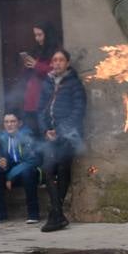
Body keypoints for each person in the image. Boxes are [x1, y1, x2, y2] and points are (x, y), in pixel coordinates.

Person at [37, 48, 86, 232]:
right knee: (48, 170)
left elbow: (78, 112)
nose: (57, 63)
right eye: (54, 60)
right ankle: (57, 213)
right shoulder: (47, 84)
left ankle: (55, 215)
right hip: (50, 135)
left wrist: (60, 131)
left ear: (67, 63)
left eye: (60, 60)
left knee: (64, 170)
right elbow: (40, 110)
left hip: (68, 136)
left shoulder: (75, 84)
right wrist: (46, 130)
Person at [0, 111, 42, 224]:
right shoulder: (2, 138)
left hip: (30, 172)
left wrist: (10, 176)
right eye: (6, 122)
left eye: (12, 121)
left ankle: (33, 213)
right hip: (13, 175)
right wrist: (0, 163)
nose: (9, 125)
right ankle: (0, 213)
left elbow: (33, 160)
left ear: (19, 123)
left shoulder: (27, 136)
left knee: (27, 173)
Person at [20, 23, 60, 132]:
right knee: (33, 134)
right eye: (35, 35)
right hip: (32, 98)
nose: (37, 38)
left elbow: (56, 72)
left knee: (47, 133)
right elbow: (27, 75)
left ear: (48, 35)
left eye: (40, 35)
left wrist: (37, 65)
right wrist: (27, 65)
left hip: (47, 100)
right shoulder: (36, 50)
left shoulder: (56, 52)